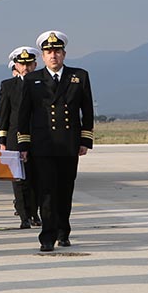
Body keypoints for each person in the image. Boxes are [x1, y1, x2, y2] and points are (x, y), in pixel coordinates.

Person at [16, 31, 94, 252]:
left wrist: (85, 140)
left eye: (57, 52)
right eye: (49, 52)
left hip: (68, 143)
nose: (53, 56)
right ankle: (47, 236)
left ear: (64, 54)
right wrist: (23, 144)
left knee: (65, 190)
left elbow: (86, 110)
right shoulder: (32, 79)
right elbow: (24, 114)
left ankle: (63, 230)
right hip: (43, 144)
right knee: (46, 192)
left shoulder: (79, 76)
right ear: (42, 56)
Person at [0, 46, 41, 228]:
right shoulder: (8, 86)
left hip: (38, 136)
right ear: (16, 65)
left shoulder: (43, 83)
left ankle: (34, 212)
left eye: (29, 64)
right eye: (22, 64)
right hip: (15, 137)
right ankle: (24, 216)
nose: (26, 67)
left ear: (35, 64)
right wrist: (2, 139)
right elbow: (3, 114)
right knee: (19, 179)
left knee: (36, 177)